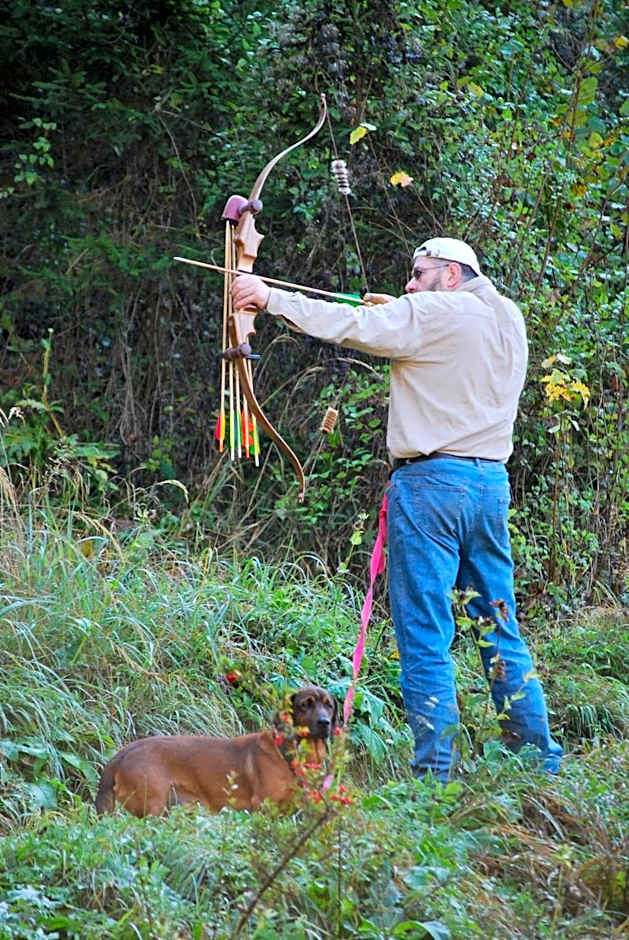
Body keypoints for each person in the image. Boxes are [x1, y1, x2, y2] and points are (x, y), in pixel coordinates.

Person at [231, 237, 563, 782]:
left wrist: (267, 297)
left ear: (451, 274)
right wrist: (405, 312)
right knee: (500, 629)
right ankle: (538, 764)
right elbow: (438, 339)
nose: (409, 285)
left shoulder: (432, 312)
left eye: (418, 273)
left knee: (425, 636)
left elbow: (350, 327)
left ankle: (434, 780)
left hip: (432, 488)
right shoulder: (507, 316)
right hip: (489, 486)